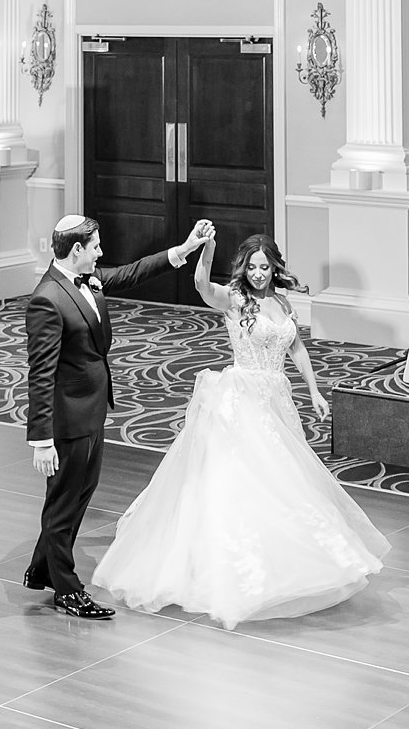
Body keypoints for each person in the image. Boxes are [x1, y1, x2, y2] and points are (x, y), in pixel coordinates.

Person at [92, 230, 390, 630]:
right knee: (247, 479)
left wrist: (315, 391)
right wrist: (208, 249)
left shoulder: (282, 302)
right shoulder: (235, 300)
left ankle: (287, 563)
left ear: (275, 267)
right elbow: (200, 285)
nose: (258, 274)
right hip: (242, 397)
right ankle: (237, 573)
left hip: (276, 399)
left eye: (265, 267)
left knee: (285, 479)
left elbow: (296, 348)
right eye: (252, 267)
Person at [24, 212, 214, 619]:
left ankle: (42, 567)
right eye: (95, 247)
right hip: (67, 420)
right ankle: (66, 590)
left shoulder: (87, 278)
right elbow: (40, 374)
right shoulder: (48, 299)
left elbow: (132, 273)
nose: (101, 253)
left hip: (91, 410)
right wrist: (41, 439)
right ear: (77, 250)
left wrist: (184, 249)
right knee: (63, 504)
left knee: (79, 495)